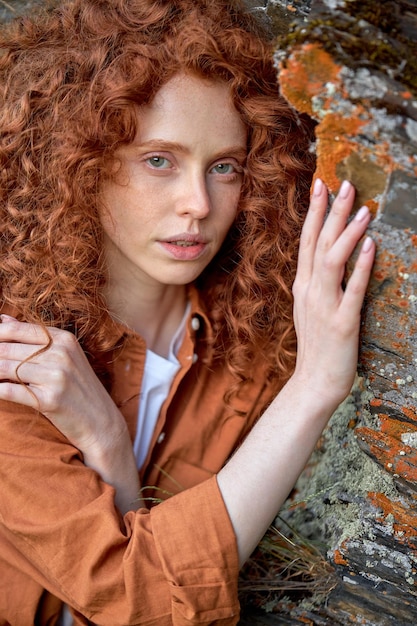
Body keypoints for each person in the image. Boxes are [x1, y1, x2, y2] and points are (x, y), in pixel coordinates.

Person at [0, 0, 375, 624]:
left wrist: (110, 448)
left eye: (224, 167)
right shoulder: (17, 356)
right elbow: (136, 599)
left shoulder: (255, 346)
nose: (197, 204)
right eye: (159, 160)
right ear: (80, 161)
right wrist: (314, 388)